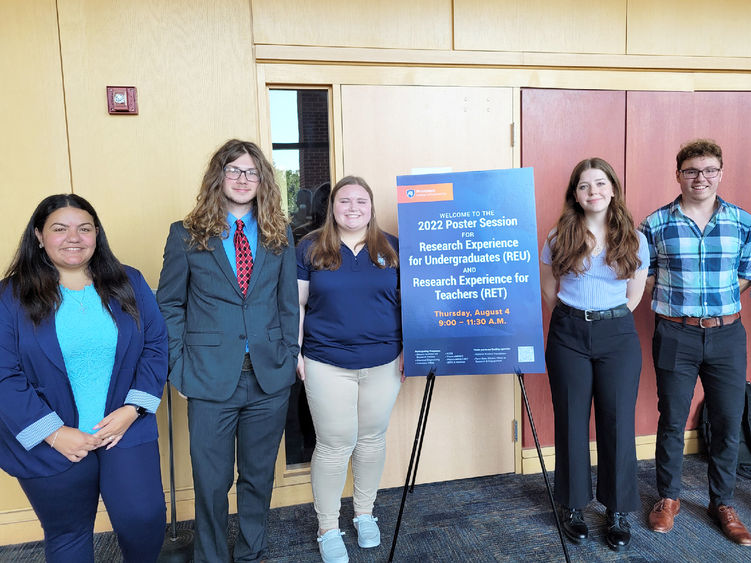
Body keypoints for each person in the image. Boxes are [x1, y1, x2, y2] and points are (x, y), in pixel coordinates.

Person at [0, 194, 168, 562]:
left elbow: (155, 346)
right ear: (39, 236)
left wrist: (132, 410)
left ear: (96, 234)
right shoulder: (10, 296)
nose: (73, 237)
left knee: (145, 519)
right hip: (49, 435)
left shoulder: (130, 281)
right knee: (69, 534)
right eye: (59, 229)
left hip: (123, 424)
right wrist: (54, 433)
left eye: (84, 228)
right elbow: (4, 374)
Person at [157, 139, 299, 562]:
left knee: (257, 478)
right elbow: (169, 304)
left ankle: (252, 552)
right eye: (233, 170)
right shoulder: (185, 234)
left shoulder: (279, 234)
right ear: (218, 176)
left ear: (263, 181)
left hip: (269, 376)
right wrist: (178, 366)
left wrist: (290, 355)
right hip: (208, 377)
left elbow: (287, 304)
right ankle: (212, 557)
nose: (242, 179)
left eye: (251, 172)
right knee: (211, 482)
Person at [641, 139, 751, 545]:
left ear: (721, 173)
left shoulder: (742, 221)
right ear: (678, 175)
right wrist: (682, 307)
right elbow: (645, 276)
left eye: (708, 170)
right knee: (671, 420)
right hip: (675, 332)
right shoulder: (654, 224)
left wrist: (717, 306)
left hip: (727, 334)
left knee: (726, 421)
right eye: (691, 170)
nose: (700, 178)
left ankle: (721, 502)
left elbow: (747, 272)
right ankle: (668, 498)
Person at [540, 158, 649, 552]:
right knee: (570, 419)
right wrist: (578, 319)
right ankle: (571, 505)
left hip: (617, 333)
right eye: (584, 186)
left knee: (617, 421)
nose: (593, 192)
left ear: (613, 189)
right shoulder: (558, 235)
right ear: (575, 194)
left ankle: (617, 510)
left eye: (600, 184)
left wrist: (605, 320)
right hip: (568, 332)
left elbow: (634, 294)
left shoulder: (633, 237)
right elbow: (549, 290)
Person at [296, 176, 402, 563]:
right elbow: (299, 305)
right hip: (326, 362)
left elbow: (408, 304)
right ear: (332, 207)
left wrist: (410, 351)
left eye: (361, 201)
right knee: (335, 443)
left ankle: (364, 513)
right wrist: (296, 351)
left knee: (372, 438)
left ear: (371, 207)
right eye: (345, 201)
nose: (353, 208)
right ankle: (327, 527)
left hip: (385, 360)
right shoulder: (310, 246)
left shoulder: (392, 247)